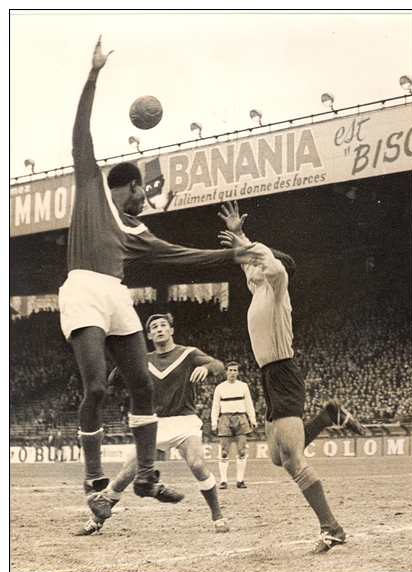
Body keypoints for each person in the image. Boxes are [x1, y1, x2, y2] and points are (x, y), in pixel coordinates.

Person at [59, 37, 261, 515]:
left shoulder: (136, 231)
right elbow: (79, 133)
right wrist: (93, 75)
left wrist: (235, 254)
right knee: (96, 389)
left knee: (142, 386)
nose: (145, 200)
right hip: (83, 288)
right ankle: (93, 474)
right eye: (142, 192)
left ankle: (146, 475)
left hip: (115, 293)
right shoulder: (92, 190)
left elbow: (181, 257)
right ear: (126, 186)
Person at [218, 201, 364, 553]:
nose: (249, 269)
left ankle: (332, 528)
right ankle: (329, 416)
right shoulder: (258, 292)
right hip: (271, 377)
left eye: (256, 264)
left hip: (283, 374)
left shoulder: (278, 287)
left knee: (295, 461)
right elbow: (253, 264)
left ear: (271, 268)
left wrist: (249, 244)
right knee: (276, 457)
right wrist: (240, 236)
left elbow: (269, 265)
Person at [77, 312, 230, 535]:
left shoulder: (188, 353)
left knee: (197, 465)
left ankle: (218, 517)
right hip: (152, 425)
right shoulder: (144, 360)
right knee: (125, 476)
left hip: (183, 421)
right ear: (149, 335)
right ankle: (96, 521)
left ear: (171, 330)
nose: (159, 329)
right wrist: (121, 366)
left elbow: (219, 365)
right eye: (154, 327)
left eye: (163, 325)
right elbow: (113, 380)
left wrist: (206, 368)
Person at [211, 361, 257, 489]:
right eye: (230, 370)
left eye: (235, 370)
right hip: (225, 418)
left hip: (241, 418)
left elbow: (248, 403)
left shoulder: (243, 386)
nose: (232, 373)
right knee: (224, 452)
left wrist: (252, 419)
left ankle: (240, 480)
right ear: (226, 372)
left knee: (242, 451)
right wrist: (214, 422)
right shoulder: (220, 388)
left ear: (237, 372)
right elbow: (215, 407)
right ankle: (224, 481)